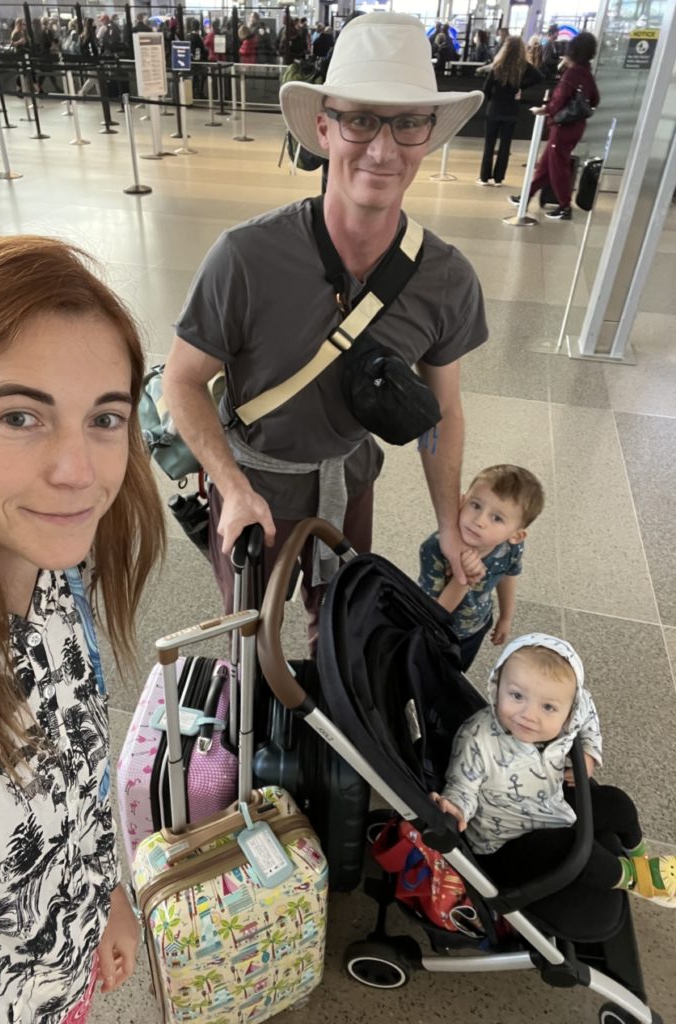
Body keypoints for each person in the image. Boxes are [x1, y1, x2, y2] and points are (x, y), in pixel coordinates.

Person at [162, 13, 487, 647]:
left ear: (428, 136)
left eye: (408, 123)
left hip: (349, 479)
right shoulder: (246, 256)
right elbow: (182, 380)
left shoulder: (447, 278)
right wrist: (230, 489)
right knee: (251, 636)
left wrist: (449, 524)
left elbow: (443, 411)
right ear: (324, 126)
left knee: (337, 631)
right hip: (253, 482)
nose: (384, 149)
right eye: (360, 119)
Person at [0, 236, 167, 1022]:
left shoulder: (55, 576)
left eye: (105, 418)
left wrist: (103, 898)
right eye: (21, 416)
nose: (78, 470)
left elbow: (76, 769)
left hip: (61, 984)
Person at [433, 634, 676, 905]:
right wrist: (455, 807)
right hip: (506, 846)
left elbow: (588, 710)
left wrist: (588, 753)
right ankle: (633, 877)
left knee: (618, 804)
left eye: (548, 707)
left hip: (551, 805)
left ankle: (640, 858)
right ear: (496, 686)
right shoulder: (477, 738)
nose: (528, 715)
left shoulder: (571, 715)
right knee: (570, 851)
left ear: (568, 711)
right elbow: (462, 785)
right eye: (516, 695)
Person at [419, 465, 544, 670]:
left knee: (456, 673)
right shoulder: (436, 548)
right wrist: (463, 577)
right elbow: (434, 614)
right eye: (475, 505)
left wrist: (506, 617)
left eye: (497, 518)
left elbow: (507, 576)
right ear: (461, 500)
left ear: (516, 535)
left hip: (476, 627)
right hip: (437, 634)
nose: (479, 521)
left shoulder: (510, 547)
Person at [509, 30, 600, 221]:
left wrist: (546, 109)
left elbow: (558, 100)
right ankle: (525, 197)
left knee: (557, 166)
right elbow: (595, 99)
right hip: (576, 126)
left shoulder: (572, 73)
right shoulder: (587, 73)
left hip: (563, 126)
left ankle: (565, 206)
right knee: (546, 165)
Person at [477, 36, 543, 186]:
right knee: (505, 146)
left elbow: (486, 89)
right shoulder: (523, 66)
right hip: (511, 109)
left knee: (489, 144)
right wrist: (520, 87)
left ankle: (484, 177)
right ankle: (499, 178)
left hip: (494, 108)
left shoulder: (497, 65)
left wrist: (492, 98)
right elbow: (539, 77)